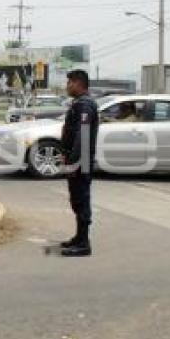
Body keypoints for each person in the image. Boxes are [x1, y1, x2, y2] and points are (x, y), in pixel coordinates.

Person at [59, 69, 99, 257]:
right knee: (76, 199)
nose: (67, 86)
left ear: (78, 83)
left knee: (82, 200)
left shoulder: (85, 105)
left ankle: (84, 244)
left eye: (69, 82)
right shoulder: (79, 103)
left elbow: (81, 137)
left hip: (80, 161)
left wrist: (74, 162)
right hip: (75, 160)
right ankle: (79, 237)